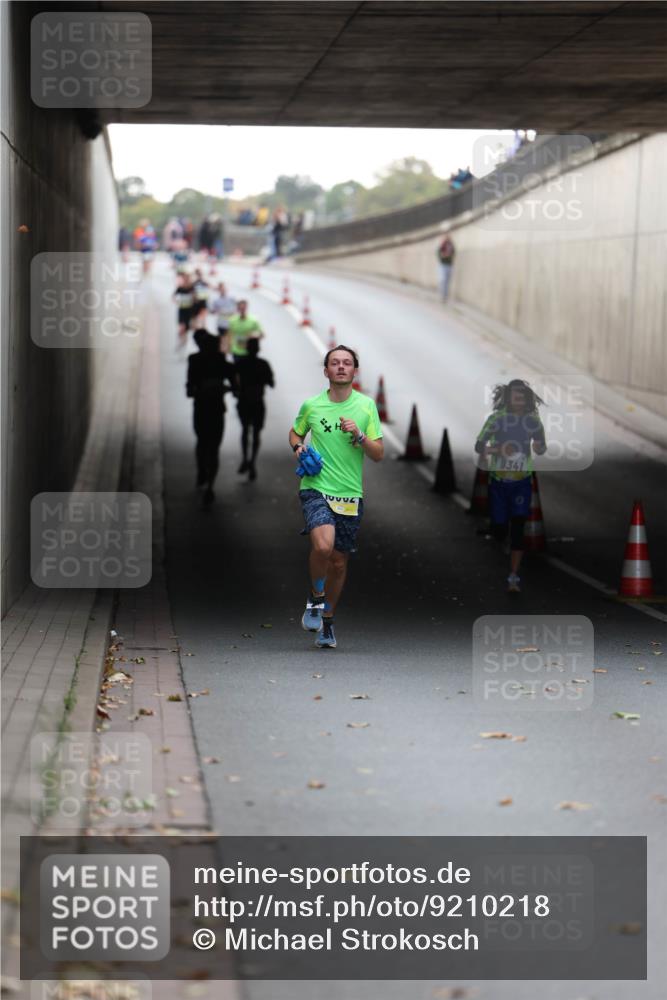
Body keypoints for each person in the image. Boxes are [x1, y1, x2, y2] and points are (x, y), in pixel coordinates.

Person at [289, 346, 384, 649]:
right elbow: (295, 432)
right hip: (315, 486)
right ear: (326, 371)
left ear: (355, 371)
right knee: (323, 545)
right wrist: (298, 447)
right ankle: (316, 598)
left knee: (339, 562)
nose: (341, 367)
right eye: (335, 363)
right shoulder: (312, 406)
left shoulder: (367, 407)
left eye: (347, 363)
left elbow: (378, 454)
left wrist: (360, 436)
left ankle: (327, 621)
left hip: (349, 493)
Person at [474, 379, 547, 593]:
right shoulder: (496, 419)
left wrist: (539, 446)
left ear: (527, 399)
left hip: (522, 482)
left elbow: (542, 448)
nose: (519, 400)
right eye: (515, 396)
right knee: (498, 528)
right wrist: (497, 450)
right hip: (498, 482)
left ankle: (513, 576)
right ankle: (502, 538)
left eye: (522, 396)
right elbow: (479, 446)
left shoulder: (533, 422)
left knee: (518, 527)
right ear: (508, 398)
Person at [186, 329, 237, 505]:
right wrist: (223, 389)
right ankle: (210, 485)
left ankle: (201, 470)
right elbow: (236, 387)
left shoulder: (195, 360)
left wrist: (201, 390)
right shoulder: (224, 364)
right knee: (214, 447)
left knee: (201, 441)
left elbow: (189, 390)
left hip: (200, 408)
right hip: (216, 410)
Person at [234, 338, 274, 481]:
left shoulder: (240, 364)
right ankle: (252, 461)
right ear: (258, 349)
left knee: (245, 430)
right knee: (256, 433)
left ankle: (245, 458)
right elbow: (271, 383)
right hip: (258, 401)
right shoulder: (263, 364)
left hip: (244, 401)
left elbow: (233, 383)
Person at [174, 271, 196, 348]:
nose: (187, 279)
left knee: (186, 328)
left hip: (189, 310)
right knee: (181, 326)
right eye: (185, 278)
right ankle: (180, 339)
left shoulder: (192, 287)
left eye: (188, 278)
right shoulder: (180, 287)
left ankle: (184, 340)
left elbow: (195, 297)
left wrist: (193, 299)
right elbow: (173, 296)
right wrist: (176, 301)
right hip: (182, 309)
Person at [437, 232, 455, 301]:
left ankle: (445, 296)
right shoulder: (442, 245)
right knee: (443, 280)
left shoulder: (451, 245)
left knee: (447, 281)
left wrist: (448, 255)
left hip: (449, 265)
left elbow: (453, 253)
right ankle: (442, 294)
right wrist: (445, 255)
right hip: (443, 265)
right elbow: (440, 254)